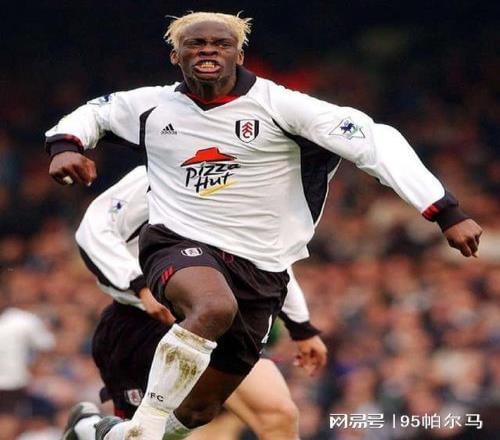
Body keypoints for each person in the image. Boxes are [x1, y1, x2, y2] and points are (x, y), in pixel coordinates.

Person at [45, 11, 482, 440]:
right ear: (175, 56)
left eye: (221, 44)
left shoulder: (282, 107)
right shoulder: (150, 108)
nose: (208, 51)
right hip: (176, 247)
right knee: (214, 307)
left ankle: (100, 432)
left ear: (239, 55)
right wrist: (65, 145)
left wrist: (444, 211)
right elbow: (97, 114)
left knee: (199, 411)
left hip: (260, 272)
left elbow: (374, 139)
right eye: (195, 44)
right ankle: (144, 426)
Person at [62, 165, 326, 440]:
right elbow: (95, 229)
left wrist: (301, 327)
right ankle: (92, 432)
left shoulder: (246, 182)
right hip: (144, 323)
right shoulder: (159, 171)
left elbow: (266, 259)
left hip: (218, 321)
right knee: (144, 434)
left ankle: (93, 432)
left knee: (278, 414)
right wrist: (139, 286)